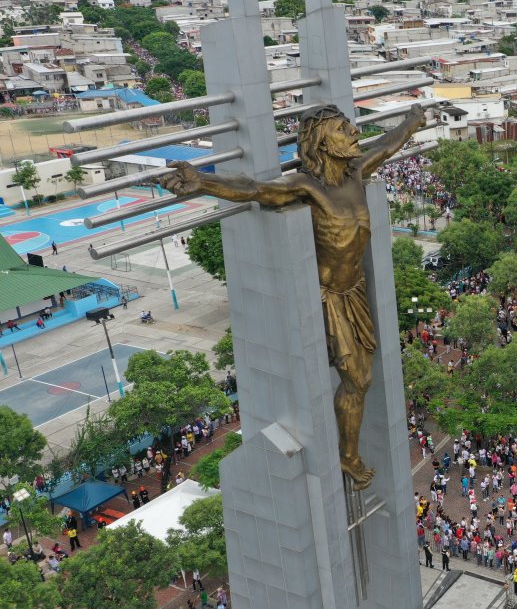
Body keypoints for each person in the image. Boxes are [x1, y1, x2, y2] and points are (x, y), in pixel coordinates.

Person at [160, 105, 427, 490]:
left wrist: (412, 122)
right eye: (342, 129)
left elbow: (386, 146)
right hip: (328, 298)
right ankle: (348, 458)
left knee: (362, 379)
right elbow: (254, 189)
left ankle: (348, 454)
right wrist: (202, 181)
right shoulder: (307, 187)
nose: (354, 132)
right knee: (359, 380)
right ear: (322, 143)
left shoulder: (355, 173)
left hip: (356, 292)